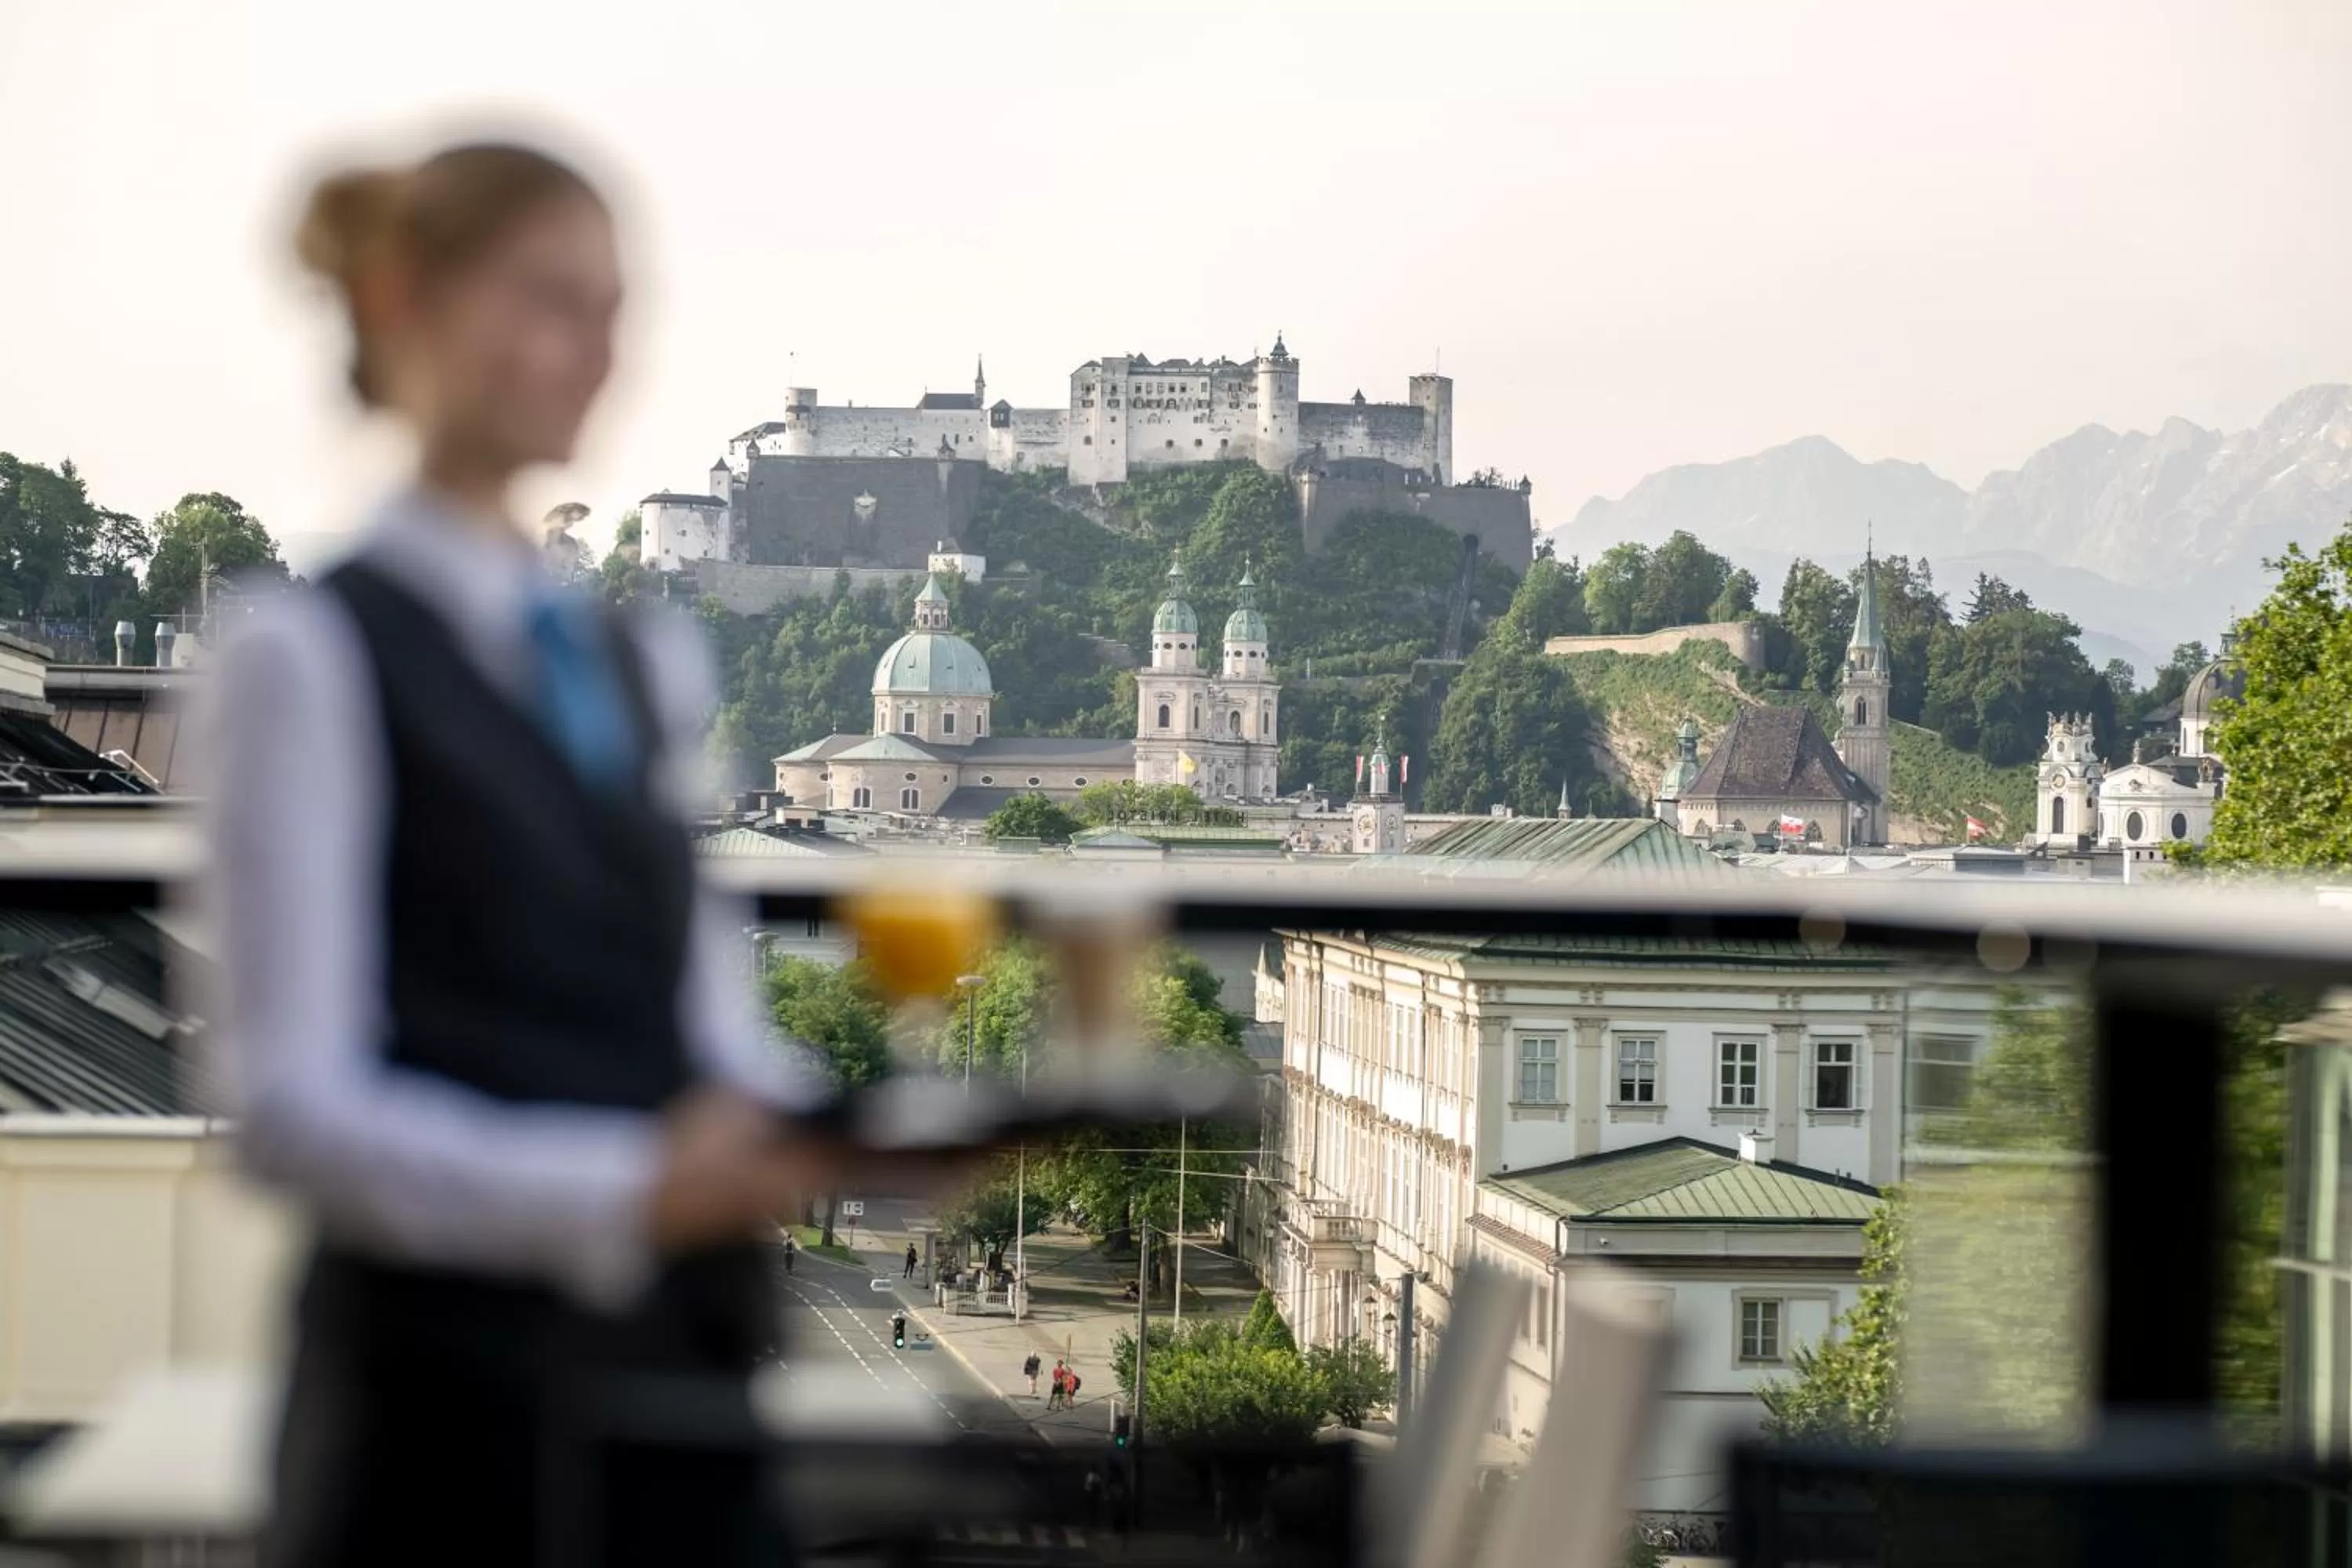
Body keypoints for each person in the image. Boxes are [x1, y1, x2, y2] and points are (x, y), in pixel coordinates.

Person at [203, 139, 858, 1568]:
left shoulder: (639, 658)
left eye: (615, 309)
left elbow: (704, 1030)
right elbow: (290, 1107)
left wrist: (863, 1127)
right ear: (400, 301)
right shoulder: (299, 654)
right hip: (437, 1410)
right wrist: (632, 1190)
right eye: (553, 299)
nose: (598, 350)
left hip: (672, 1381)